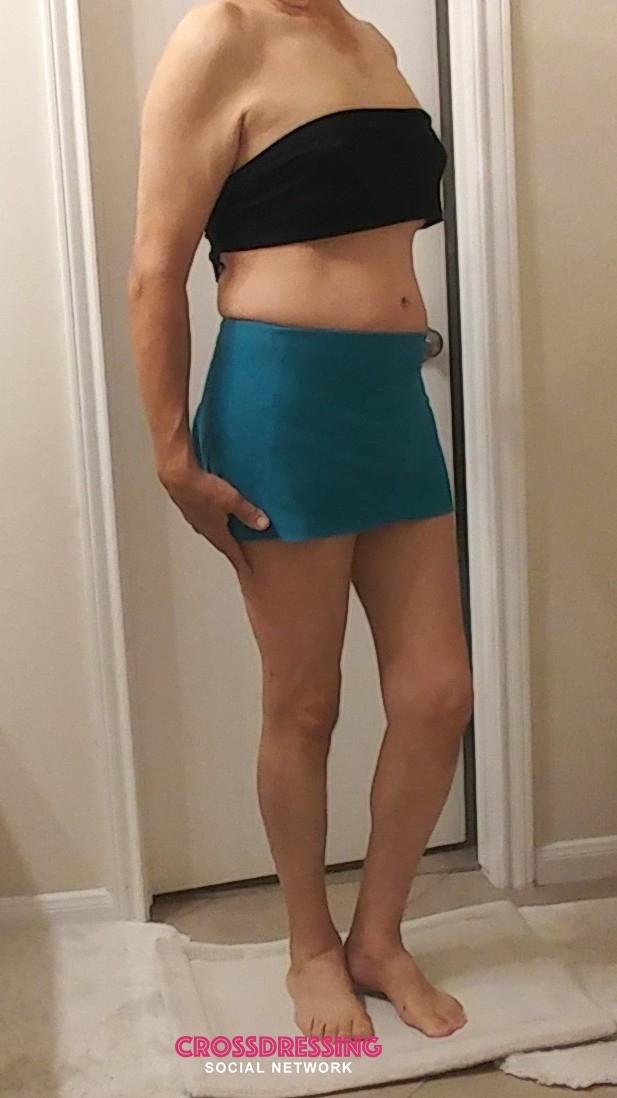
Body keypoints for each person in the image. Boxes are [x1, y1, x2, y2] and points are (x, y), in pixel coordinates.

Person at [128, 0, 474, 1041]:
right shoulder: (220, 35)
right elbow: (156, 267)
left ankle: (378, 938)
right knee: (305, 702)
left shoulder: (368, 41)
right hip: (282, 400)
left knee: (438, 693)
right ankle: (310, 947)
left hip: (389, 398)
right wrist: (173, 456)